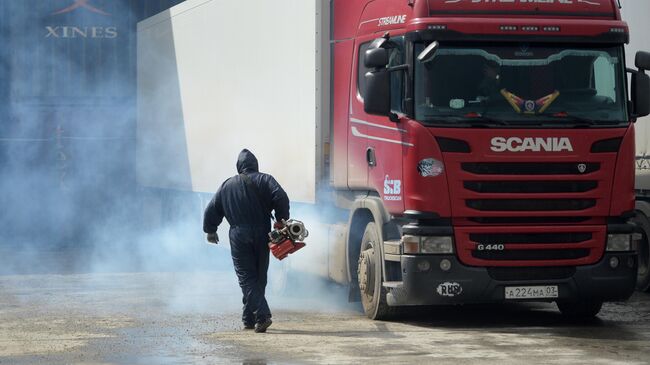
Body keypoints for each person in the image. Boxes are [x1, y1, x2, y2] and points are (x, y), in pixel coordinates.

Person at [203, 149, 290, 333]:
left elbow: (211, 210)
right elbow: (281, 196)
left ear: (239, 167)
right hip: (262, 233)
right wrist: (281, 220)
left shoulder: (227, 185)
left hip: (238, 236)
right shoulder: (266, 180)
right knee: (259, 277)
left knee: (247, 279)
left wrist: (210, 231)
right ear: (255, 165)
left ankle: (262, 315)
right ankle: (248, 318)